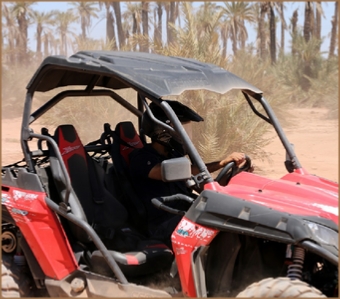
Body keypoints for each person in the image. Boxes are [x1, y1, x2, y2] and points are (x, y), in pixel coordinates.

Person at [129, 100, 245, 248]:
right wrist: (220, 162)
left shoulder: (174, 156)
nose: (184, 135)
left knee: (235, 221)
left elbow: (203, 187)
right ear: (162, 132)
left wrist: (233, 175)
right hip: (163, 224)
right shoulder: (142, 158)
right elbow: (165, 172)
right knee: (223, 231)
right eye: (180, 129)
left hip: (185, 214)